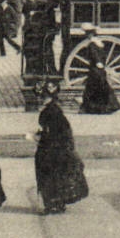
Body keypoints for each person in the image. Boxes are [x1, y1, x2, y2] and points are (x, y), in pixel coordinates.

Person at [33, 83, 89, 214]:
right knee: (57, 176)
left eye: (43, 96)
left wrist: (39, 137)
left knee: (48, 175)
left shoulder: (50, 111)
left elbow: (52, 132)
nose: (41, 99)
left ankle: (52, 204)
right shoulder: (55, 110)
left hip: (51, 149)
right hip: (59, 148)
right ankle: (58, 203)